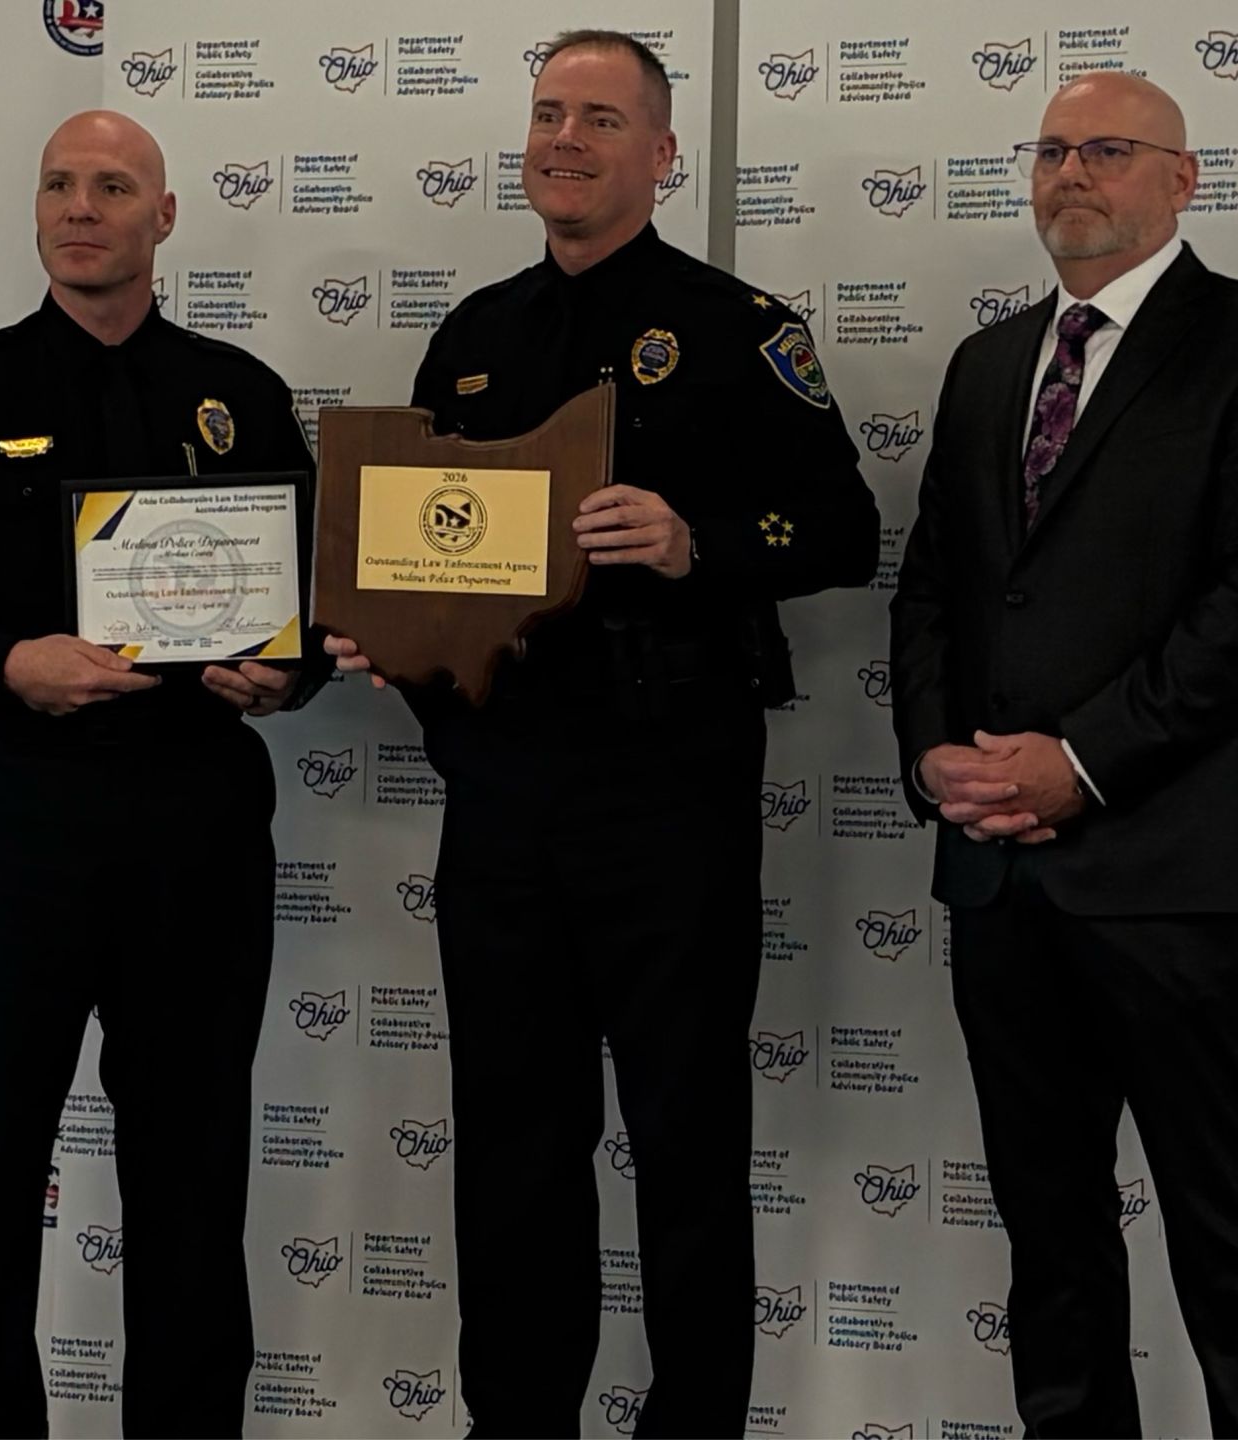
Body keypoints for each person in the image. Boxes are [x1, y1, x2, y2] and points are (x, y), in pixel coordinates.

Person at [327, 30, 878, 1437]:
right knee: (513, 1145)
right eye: (547, 113)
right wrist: (387, 642)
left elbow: (842, 528)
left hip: (666, 785)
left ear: (662, 152)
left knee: (686, 1140)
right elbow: (422, 558)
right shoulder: (475, 335)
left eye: (600, 118)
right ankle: (516, 1421)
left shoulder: (739, 323)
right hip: (503, 794)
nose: (563, 139)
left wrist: (696, 542)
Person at [0, 110, 320, 1437]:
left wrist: (285, 677)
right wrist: (9, 661)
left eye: (113, 186)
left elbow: (303, 623)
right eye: (59, 185)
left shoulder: (243, 397)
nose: (81, 207)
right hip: (14, 810)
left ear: (164, 218)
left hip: (194, 816)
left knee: (192, 1162)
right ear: (36, 212)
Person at [889, 73, 1238, 1439]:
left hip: (1178, 865)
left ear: (1181, 179)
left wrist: (1077, 763)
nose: (1071, 173)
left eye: (1106, 149)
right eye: (1050, 150)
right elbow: (933, 593)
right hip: (997, 873)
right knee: (1050, 1234)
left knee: (1223, 1222)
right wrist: (937, 759)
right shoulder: (987, 366)